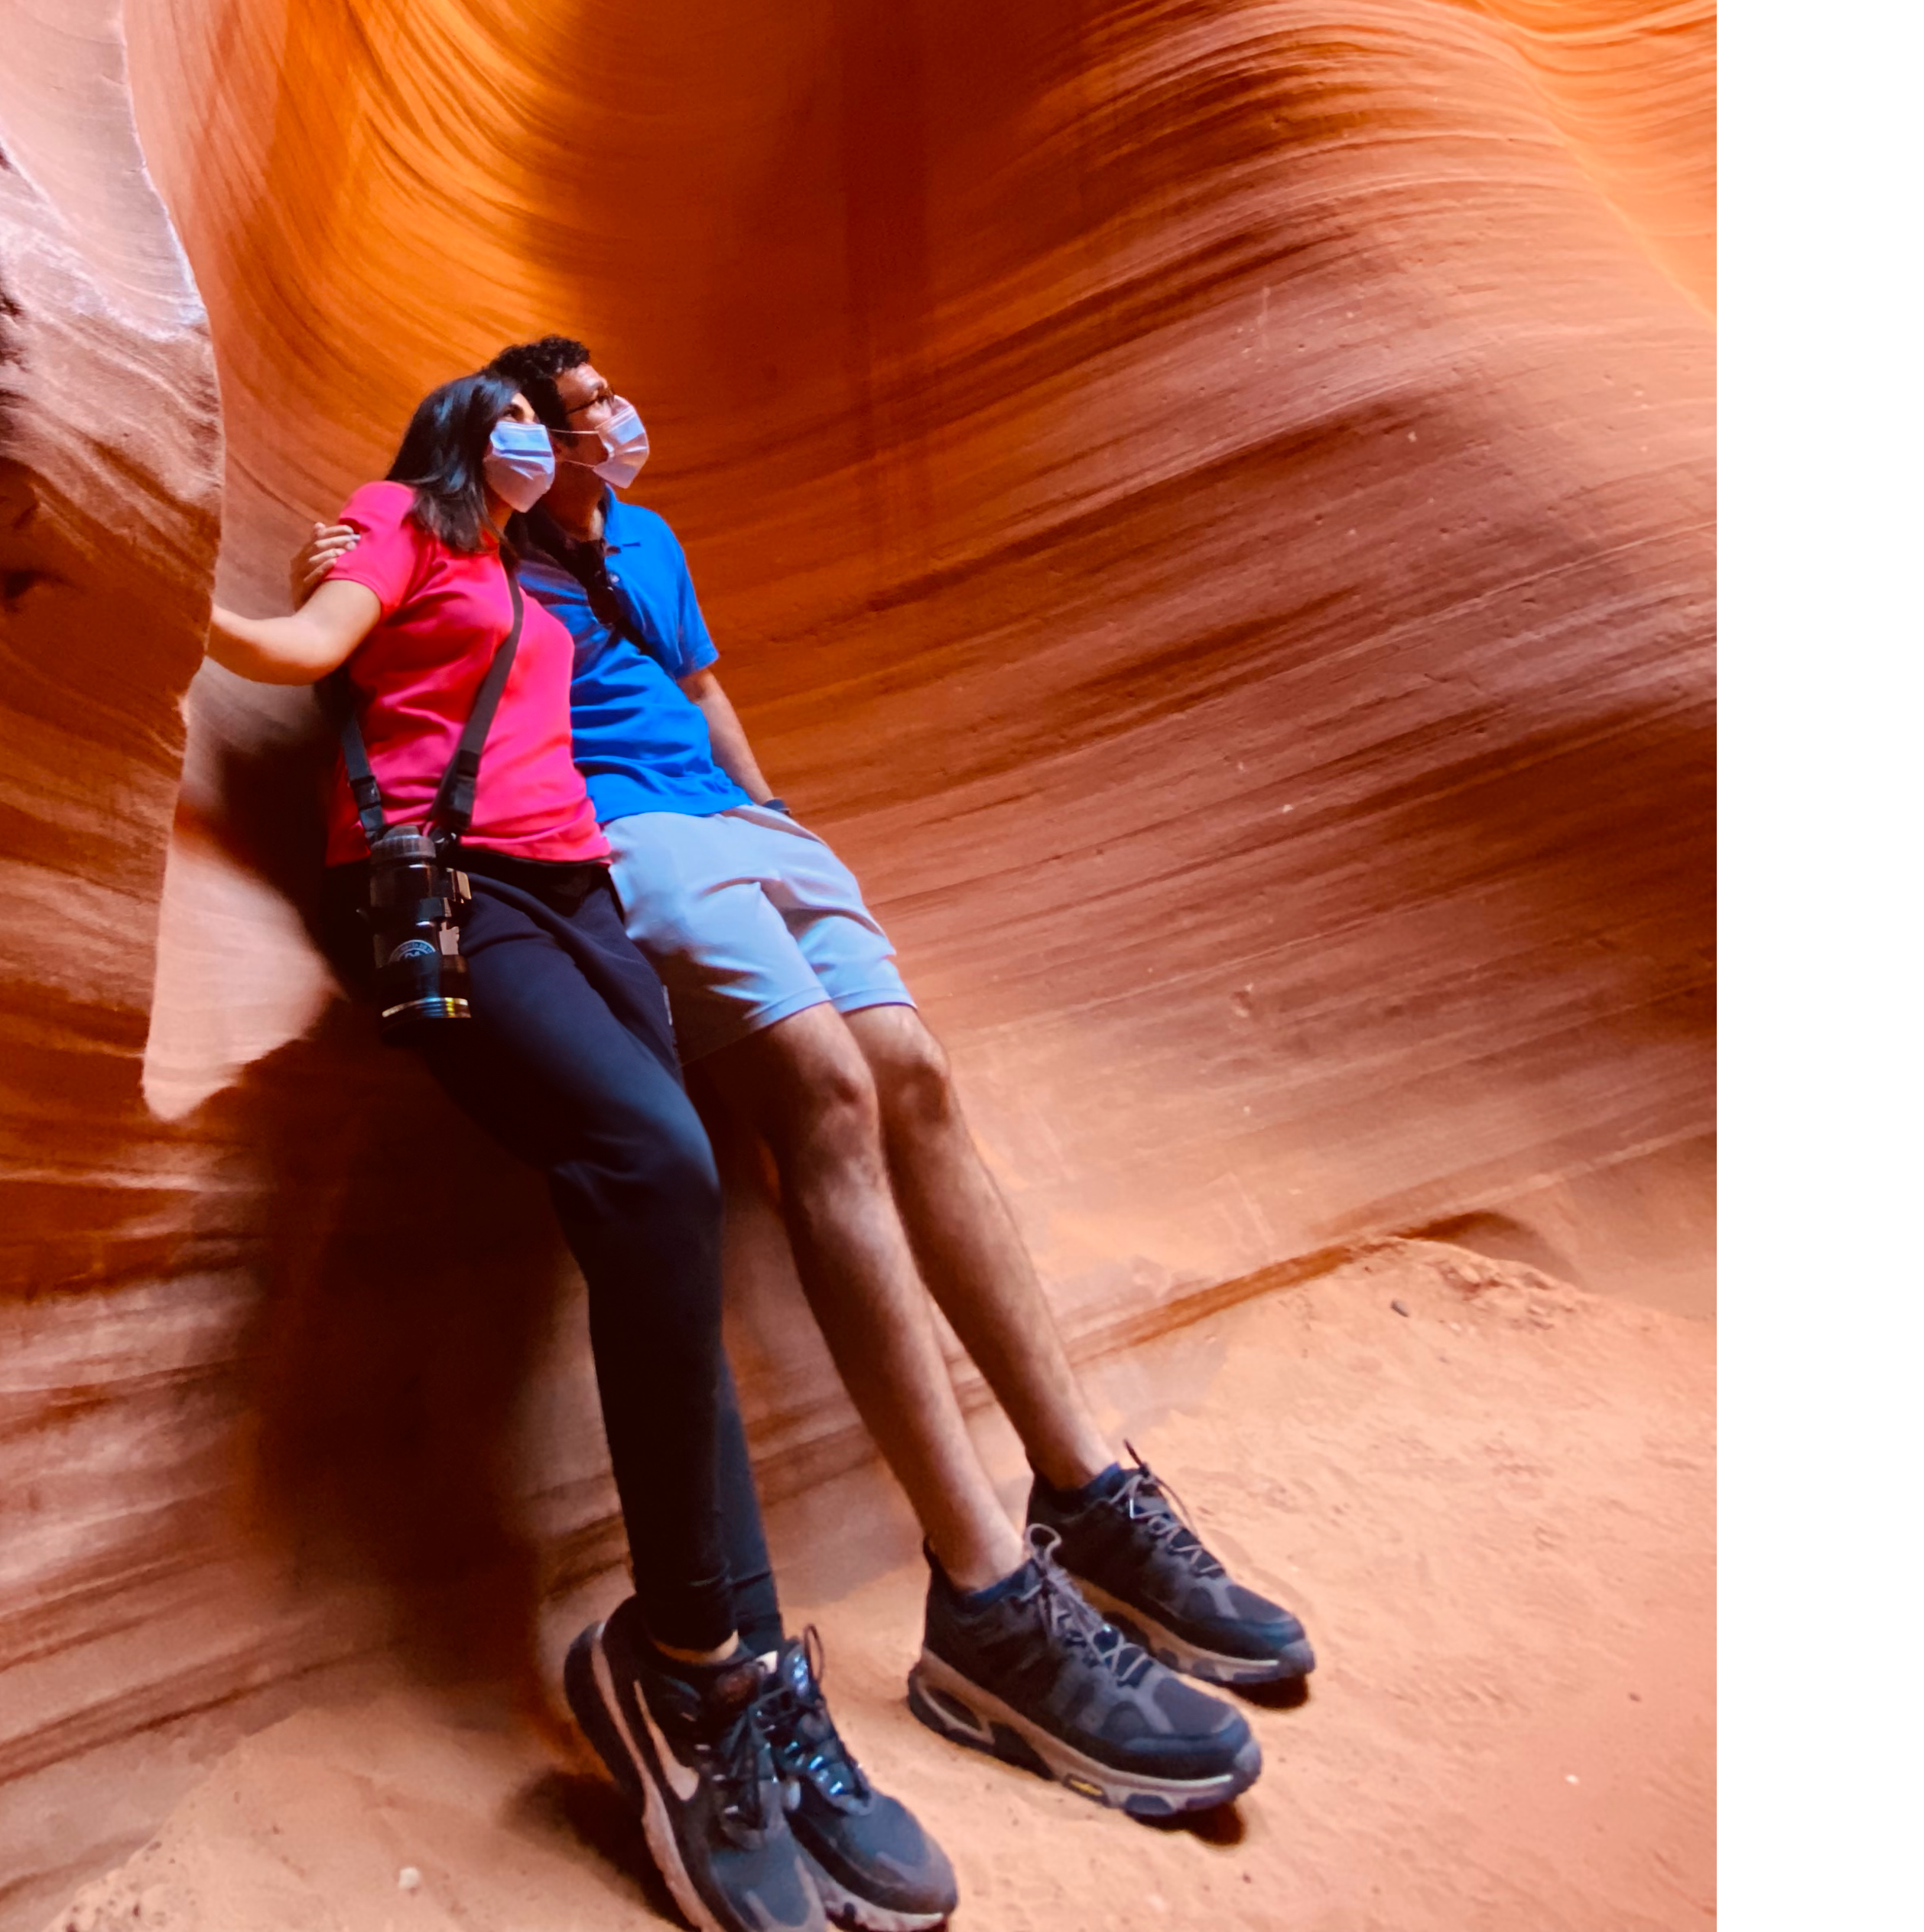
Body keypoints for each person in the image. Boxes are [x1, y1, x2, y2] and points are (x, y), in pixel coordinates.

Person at [297, 338, 1312, 1830]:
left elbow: (705, 687)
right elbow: (401, 607)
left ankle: (1085, 1493)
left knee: (914, 1071)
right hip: (620, 840)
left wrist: (773, 813)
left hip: (740, 823)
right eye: (570, 412)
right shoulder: (481, 536)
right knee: (828, 1091)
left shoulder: (647, 541)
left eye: (595, 404)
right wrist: (359, 550)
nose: (603, 426)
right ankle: (985, 1595)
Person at [203, 370, 956, 1932]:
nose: (546, 446)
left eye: (553, 430)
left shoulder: (545, 570)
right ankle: (687, 1669)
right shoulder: (399, 520)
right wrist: (167, 588)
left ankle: (740, 1673)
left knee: (671, 1196)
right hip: (454, 888)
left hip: (580, 895)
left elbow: (649, 672)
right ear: (462, 442)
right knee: (655, 1168)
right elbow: (306, 644)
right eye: (518, 427)